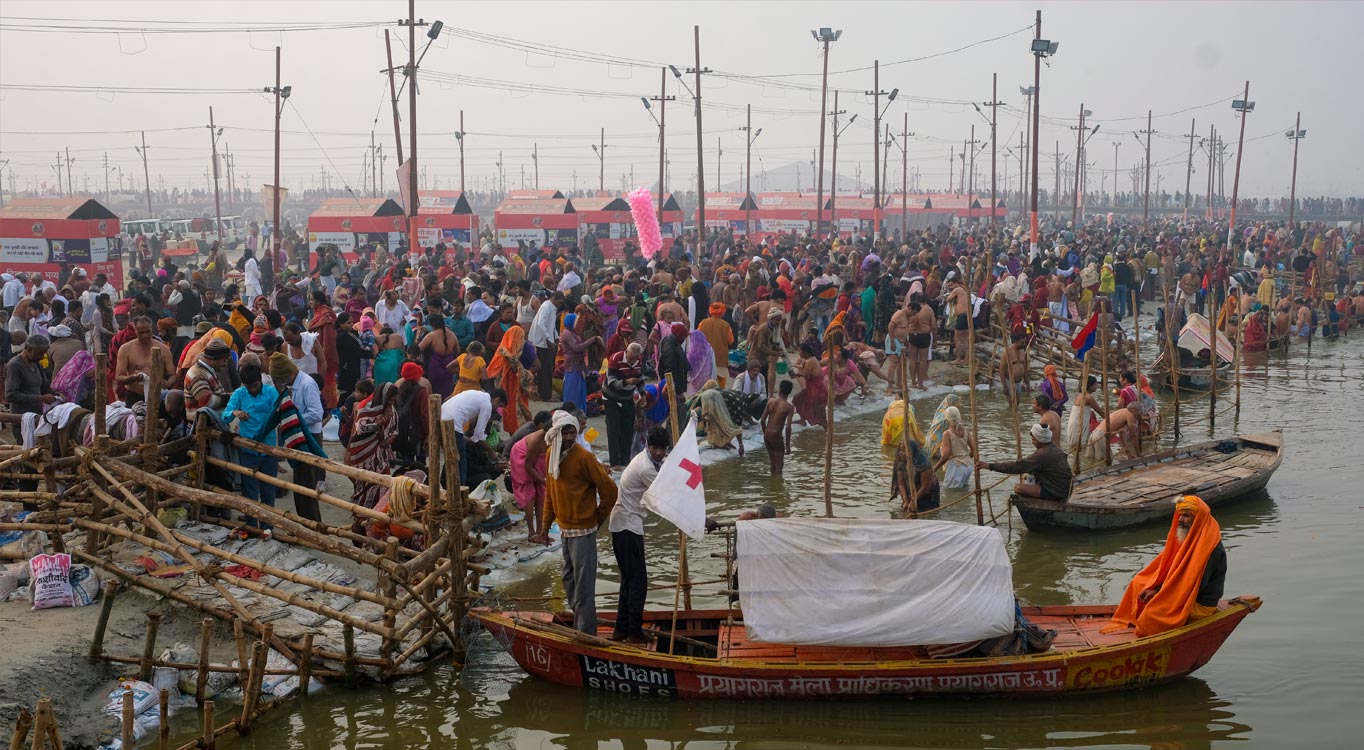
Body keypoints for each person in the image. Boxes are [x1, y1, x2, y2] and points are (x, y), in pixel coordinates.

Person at [533, 410, 618, 635]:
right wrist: (544, 529)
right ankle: (580, 621)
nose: (570, 437)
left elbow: (610, 490)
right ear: (557, 434)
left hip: (583, 530)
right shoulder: (552, 454)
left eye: (572, 432)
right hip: (565, 530)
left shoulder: (584, 457)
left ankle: (586, 633)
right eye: (565, 432)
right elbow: (550, 495)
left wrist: (596, 518)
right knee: (569, 580)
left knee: (583, 587)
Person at [1104, 494, 1228, 637]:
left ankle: (1146, 632)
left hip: (1199, 603)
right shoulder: (1189, 535)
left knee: (1153, 612)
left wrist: (1159, 593)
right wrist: (1155, 587)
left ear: (1198, 518)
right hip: (1183, 590)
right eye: (1180, 515)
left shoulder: (1211, 547)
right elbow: (1171, 566)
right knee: (1138, 583)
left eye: (1186, 516)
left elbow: (1192, 585)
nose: (1181, 519)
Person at [608, 426, 671, 644]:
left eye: (662, 449)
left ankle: (620, 629)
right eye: (655, 448)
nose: (659, 453)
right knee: (638, 582)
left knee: (629, 580)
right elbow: (667, 496)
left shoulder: (649, 461)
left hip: (624, 525)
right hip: (627, 526)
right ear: (648, 446)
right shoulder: (645, 468)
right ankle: (634, 632)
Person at [268, 352, 327, 521]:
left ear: (287, 375)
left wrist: (294, 419)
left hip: (310, 438)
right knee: (300, 485)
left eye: (279, 379)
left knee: (306, 487)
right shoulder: (292, 385)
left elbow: (317, 414)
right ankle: (305, 522)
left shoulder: (307, 384)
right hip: (297, 436)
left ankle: (313, 525)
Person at [224, 364, 280, 530]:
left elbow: (279, 414)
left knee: (268, 491)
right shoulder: (239, 394)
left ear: (260, 381)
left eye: (255, 385)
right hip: (247, 449)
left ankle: (266, 526)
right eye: (249, 387)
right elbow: (225, 415)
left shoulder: (271, 393)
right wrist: (235, 413)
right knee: (249, 492)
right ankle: (251, 526)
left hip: (268, 448)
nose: (252, 389)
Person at [977, 422, 1073, 501]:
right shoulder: (1055, 449)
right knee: (1029, 477)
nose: (1032, 442)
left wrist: (990, 466)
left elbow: (1016, 466)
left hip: (1057, 492)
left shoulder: (1042, 455)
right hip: (1065, 488)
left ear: (1037, 440)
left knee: (1018, 488)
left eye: (1033, 439)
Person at [439, 387, 508, 488]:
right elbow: (479, 434)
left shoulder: (478, 394)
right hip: (452, 425)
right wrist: (491, 451)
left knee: (453, 459)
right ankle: (460, 491)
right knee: (460, 462)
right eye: (499, 406)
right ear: (497, 399)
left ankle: (455, 488)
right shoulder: (487, 404)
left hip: (442, 419)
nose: (496, 409)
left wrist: (468, 439)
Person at [602, 342, 644, 469]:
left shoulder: (639, 362)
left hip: (627, 397)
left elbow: (641, 381)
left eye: (635, 359)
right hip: (611, 398)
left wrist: (643, 395)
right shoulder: (615, 359)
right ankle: (615, 463)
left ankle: (625, 461)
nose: (633, 361)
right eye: (631, 358)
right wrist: (627, 382)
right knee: (613, 429)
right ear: (627, 352)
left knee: (628, 429)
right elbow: (612, 383)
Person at [510, 412, 551, 539]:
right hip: (521, 457)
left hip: (536, 458)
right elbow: (528, 466)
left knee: (541, 495)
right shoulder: (536, 440)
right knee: (529, 494)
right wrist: (543, 480)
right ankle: (531, 533)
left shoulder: (556, 438)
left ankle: (540, 531)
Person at [933, 406, 975, 489]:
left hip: (955, 467)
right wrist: (965, 458)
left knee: (950, 492)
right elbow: (974, 449)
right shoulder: (965, 430)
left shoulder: (947, 434)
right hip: (968, 466)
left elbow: (946, 455)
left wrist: (935, 467)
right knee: (963, 491)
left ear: (947, 419)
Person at [758, 380, 795, 476]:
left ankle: (772, 485)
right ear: (790, 392)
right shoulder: (789, 407)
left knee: (772, 462)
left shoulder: (770, 401)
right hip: (776, 436)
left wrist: (765, 433)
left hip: (767, 435)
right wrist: (787, 445)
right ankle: (777, 488)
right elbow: (788, 427)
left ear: (779, 390)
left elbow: (762, 420)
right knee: (779, 465)